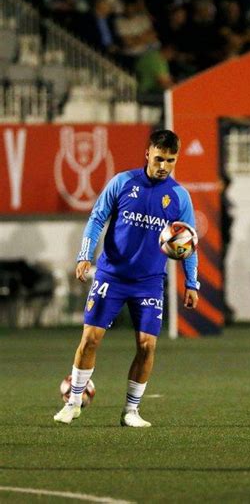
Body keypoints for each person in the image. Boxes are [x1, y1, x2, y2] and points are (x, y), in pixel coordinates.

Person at [53, 130, 200, 428]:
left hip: (149, 282)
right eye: (159, 158)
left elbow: (188, 242)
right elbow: (97, 218)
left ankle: (131, 411)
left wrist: (191, 282)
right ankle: (73, 402)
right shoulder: (123, 182)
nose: (164, 166)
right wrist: (85, 255)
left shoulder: (179, 197)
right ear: (147, 153)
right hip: (112, 276)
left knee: (147, 346)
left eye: (170, 160)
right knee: (91, 339)